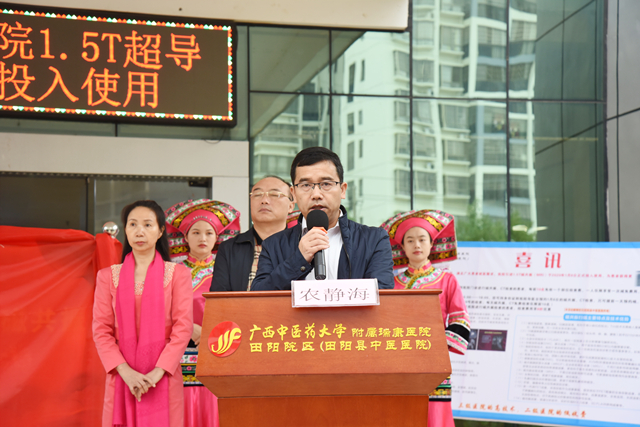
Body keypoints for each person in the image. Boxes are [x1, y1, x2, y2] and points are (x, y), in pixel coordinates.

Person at [92, 200, 193, 427]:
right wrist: (126, 372)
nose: (140, 231)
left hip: (163, 375)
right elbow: (101, 331)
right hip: (121, 376)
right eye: (133, 224)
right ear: (125, 230)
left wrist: (157, 373)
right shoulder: (107, 277)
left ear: (160, 231)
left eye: (148, 225)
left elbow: (183, 327)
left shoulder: (178, 274)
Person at [251, 146, 394, 290]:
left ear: (342, 190)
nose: (316, 194)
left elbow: (383, 296)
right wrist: (299, 259)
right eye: (306, 185)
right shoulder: (273, 245)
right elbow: (259, 296)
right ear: (293, 194)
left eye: (326, 184)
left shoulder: (374, 240)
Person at [381, 209, 470, 427]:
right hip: (398, 362)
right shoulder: (392, 284)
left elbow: (460, 320)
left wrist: (435, 346)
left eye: (422, 239)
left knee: (435, 414)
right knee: (400, 413)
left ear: (432, 244)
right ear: (402, 247)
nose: (417, 245)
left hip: (434, 362)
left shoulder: (447, 280)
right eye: (410, 240)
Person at [164, 199, 241, 427]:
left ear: (217, 238)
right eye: (195, 232)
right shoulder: (170, 273)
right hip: (179, 355)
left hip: (218, 350)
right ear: (185, 238)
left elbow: (236, 310)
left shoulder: (227, 270)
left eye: (209, 233)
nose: (202, 238)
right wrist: (189, 328)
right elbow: (160, 312)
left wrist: (211, 332)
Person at [210, 177, 294, 292]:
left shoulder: (301, 246)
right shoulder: (229, 249)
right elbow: (219, 298)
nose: (264, 200)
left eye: (274, 194)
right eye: (257, 194)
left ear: (291, 206)